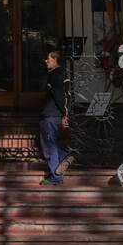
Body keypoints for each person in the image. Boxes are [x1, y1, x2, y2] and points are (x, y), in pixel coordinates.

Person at [39, 49, 75, 185]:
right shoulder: (62, 74)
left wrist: (65, 114)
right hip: (54, 115)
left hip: (50, 116)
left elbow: (61, 96)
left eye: (48, 58)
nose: (46, 61)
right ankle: (66, 156)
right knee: (52, 144)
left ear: (55, 60)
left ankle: (56, 177)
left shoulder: (55, 75)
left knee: (49, 147)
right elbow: (67, 95)